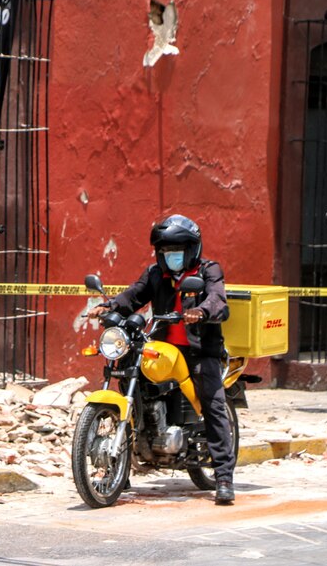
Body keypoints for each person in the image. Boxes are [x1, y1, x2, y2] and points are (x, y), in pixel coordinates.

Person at [92, 214, 235, 504]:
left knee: (213, 403)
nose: (171, 257)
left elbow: (217, 299)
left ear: (191, 249)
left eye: (177, 251)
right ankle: (122, 466)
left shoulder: (208, 271)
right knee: (132, 380)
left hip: (199, 350)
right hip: (161, 346)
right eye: (166, 252)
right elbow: (134, 294)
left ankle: (223, 477)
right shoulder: (156, 274)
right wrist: (108, 306)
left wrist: (203, 312)